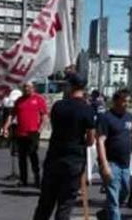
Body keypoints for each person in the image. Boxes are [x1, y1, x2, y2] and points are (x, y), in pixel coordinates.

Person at [33, 72, 95, 220]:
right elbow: (91, 139)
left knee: (46, 202)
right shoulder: (87, 109)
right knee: (65, 204)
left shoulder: (58, 106)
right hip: (74, 160)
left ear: (71, 86)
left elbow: (55, 127)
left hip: (54, 157)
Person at [96, 89, 132, 220]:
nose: (127, 104)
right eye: (124, 101)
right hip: (111, 163)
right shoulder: (106, 117)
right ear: (116, 101)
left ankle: (104, 214)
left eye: (128, 101)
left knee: (125, 192)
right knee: (113, 197)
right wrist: (105, 165)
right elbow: (100, 141)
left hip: (125, 163)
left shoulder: (129, 116)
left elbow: (131, 136)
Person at [3, 81, 48, 187]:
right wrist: (5, 127)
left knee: (33, 155)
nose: (26, 89)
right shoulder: (19, 101)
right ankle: (23, 180)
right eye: (24, 87)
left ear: (33, 88)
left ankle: (37, 179)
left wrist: (40, 129)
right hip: (20, 133)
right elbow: (11, 115)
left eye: (28, 87)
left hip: (33, 132)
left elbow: (44, 116)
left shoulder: (39, 99)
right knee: (21, 157)